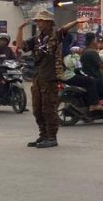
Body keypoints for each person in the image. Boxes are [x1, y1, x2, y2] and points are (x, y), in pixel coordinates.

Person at [17, 12, 83, 147]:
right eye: (38, 21)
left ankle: (52, 137)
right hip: (38, 77)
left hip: (50, 77)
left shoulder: (55, 37)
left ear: (48, 23)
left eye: (42, 21)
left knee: (49, 108)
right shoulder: (36, 40)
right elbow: (21, 46)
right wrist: (20, 29)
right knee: (37, 109)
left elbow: (64, 29)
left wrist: (76, 22)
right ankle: (43, 135)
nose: (39, 23)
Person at [62, 45, 103, 110]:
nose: (81, 50)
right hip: (68, 76)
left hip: (64, 76)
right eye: (80, 49)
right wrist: (87, 76)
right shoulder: (73, 56)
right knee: (91, 81)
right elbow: (78, 69)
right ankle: (94, 103)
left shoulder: (65, 55)